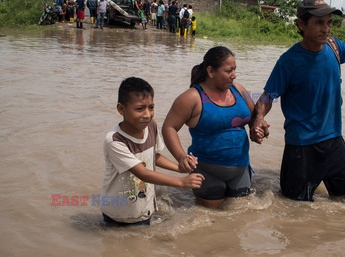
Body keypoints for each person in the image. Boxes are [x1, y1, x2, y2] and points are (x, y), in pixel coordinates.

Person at [250, 0, 345, 202]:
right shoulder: (289, 61)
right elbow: (269, 95)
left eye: (329, 22)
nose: (326, 28)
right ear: (301, 25)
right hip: (301, 146)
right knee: (293, 205)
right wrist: (258, 118)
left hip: (333, 140)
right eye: (319, 22)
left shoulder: (334, 47)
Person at [162, 46, 261, 209]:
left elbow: (254, 116)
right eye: (229, 71)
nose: (234, 75)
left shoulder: (239, 90)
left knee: (240, 220)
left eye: (235, 70)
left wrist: (257, 129)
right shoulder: (192, 97)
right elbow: (169, 128)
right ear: (211, 71)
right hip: (207, 172)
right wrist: (181, 157)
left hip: (240, 169)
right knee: (209, 221)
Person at [101, 77, 204, 226]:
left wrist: (180, 168)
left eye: (151, 107)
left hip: (144, 207)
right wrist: (181, 182)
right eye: (139, 109)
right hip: (119, 213)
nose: (147, 114)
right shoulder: (115, 140)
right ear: (121, 109)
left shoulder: (151, 127)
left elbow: (153, 156)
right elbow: (142, 173)